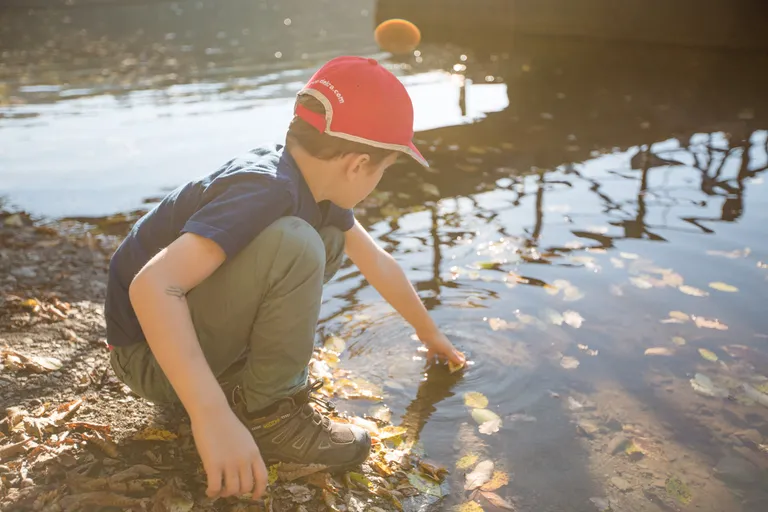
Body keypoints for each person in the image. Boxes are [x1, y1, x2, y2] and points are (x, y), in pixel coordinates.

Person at [104, 55, 466, 501]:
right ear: (357, 164)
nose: (378, 182)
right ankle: (271, 415)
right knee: (297, 243)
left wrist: (429, 333)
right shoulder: (264, 190)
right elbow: (152, 286)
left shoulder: (302, 178)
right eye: (384, 171)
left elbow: (376, 260)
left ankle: (245, 381)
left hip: (175, 338)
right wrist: (211, 416)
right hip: (148, 357)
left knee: (328, 238)